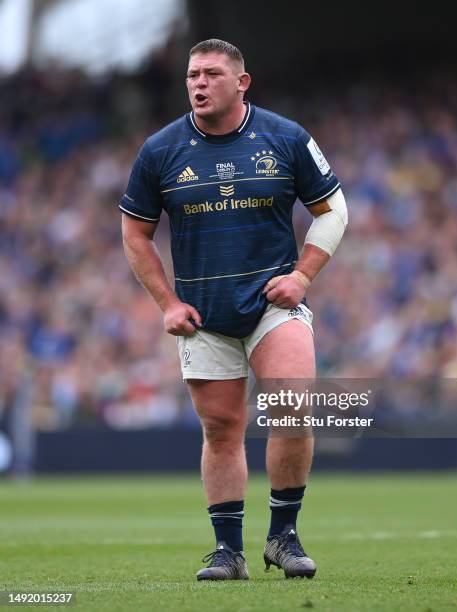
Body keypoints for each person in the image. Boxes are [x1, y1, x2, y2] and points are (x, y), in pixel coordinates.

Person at [120, 39, 348, 580]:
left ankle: (283, 537)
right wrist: (167, 303)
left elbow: (333, 210)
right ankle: (228, 551)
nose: (199, 83)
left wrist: (302, 275)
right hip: (203, 314)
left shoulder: (286, 137)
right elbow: (135, 232)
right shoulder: (160, 150)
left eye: (212, 74)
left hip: (273, 304)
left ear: (242, 82)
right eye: (192, 75)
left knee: (294, 404)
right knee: (222, 428)